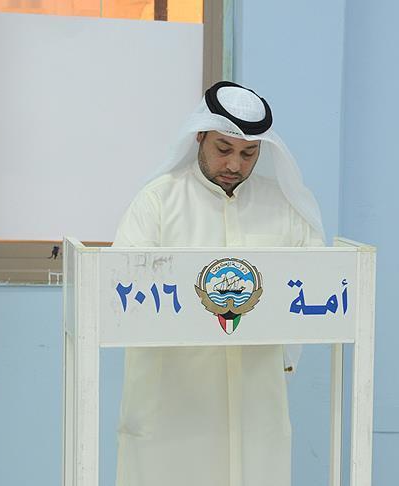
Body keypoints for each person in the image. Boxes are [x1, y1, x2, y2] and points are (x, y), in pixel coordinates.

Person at [113, 81, 324, 486]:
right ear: (199, 136)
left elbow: (315, 285)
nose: (234, 165)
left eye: (248, 153)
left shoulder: (283, 208)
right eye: (223, 149)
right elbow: (123, 291)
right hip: (172, 404)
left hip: (254, 402)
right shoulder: (157, 202)